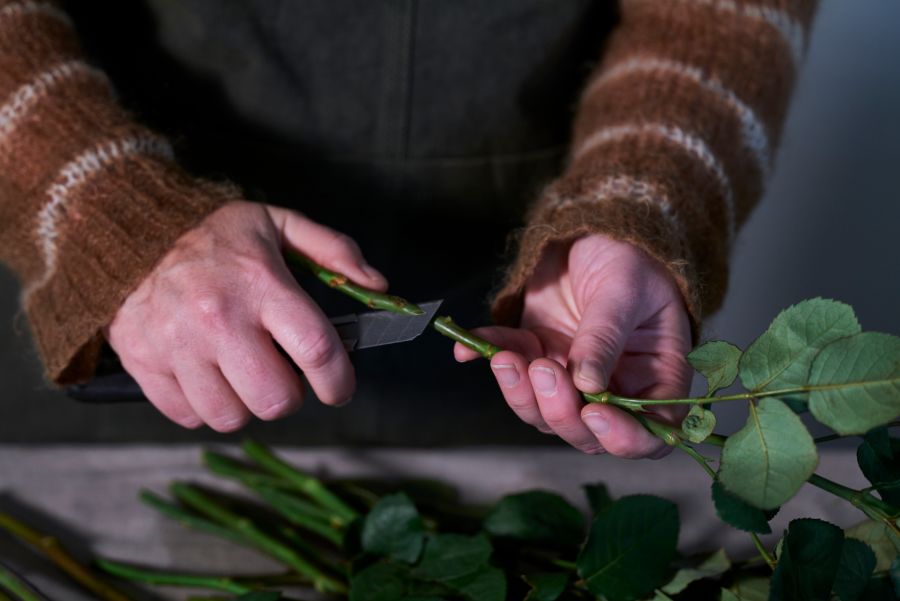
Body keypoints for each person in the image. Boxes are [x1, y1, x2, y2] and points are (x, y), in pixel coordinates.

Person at [0, 0, 817, 457]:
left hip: (525, 348)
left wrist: (641, 202)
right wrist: (109, 214)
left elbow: (722, 15)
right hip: (133, 331)